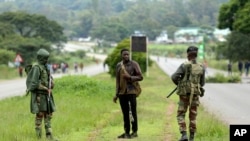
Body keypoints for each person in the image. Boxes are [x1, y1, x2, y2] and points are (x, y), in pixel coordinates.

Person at [171, 46, 205, 141]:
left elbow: (174, 77)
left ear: (187, 54)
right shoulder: (201, 66)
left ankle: (184, 134)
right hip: (195, 94)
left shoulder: (184, 65)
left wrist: (181, 83)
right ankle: (192, 138)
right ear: (196, 54)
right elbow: (202, 83)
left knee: (181, 113)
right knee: (193, 115)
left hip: (184, 94)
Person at [26, 48, 57, 140]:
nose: (47, 60)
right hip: (40, 96)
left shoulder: (46, 67)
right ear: (41, 58)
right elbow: (34, 83)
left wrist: (52, 85)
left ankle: (49, 137)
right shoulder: (36, 68)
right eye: (45, 58)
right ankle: (38, 137)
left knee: (48, 115)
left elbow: (50, 79)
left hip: (47, 95)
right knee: (39, 115)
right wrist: (45, 88)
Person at [113, 48, 143, 139]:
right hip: (122, 93)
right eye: (124, 54)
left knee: (133, 112)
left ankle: (134, 132)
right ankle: (126, 132)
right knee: (125, 113)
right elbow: (117, 81)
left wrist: (129, 77)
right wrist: (116, 94)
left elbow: (140, 77)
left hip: (131, 91)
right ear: (121, 55)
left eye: (127, 54)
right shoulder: (119, 65)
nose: (126, 56)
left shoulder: (134, 64)